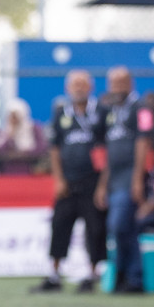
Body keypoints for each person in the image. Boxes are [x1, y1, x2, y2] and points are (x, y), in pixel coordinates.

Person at [33, 71, 105, 292]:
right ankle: (54, 274)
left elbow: (106, 149)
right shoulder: (60, 112)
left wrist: (103, 184)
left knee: (95, 228)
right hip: (68, 180)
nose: (79, 88)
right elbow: (54, 149)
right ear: (67, 88)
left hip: (93, 180)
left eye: (83, 84)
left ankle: (92, 275)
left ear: (91, 87)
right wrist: (58, 179)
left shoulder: (101, 112)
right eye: (75, 84)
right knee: (60, 225)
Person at [94, 66, 153, 292]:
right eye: (113, 84)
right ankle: (131, 278)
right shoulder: (110, 111)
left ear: (131, 84)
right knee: (125, 228)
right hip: (114, 176)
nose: (117, 88)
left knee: (118, 224)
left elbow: (143, 142)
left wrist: (138, 178)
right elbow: (108, 150)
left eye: (121, 83)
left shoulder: (141, 108)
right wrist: (102, 184)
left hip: (131, 174)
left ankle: (126, 273)